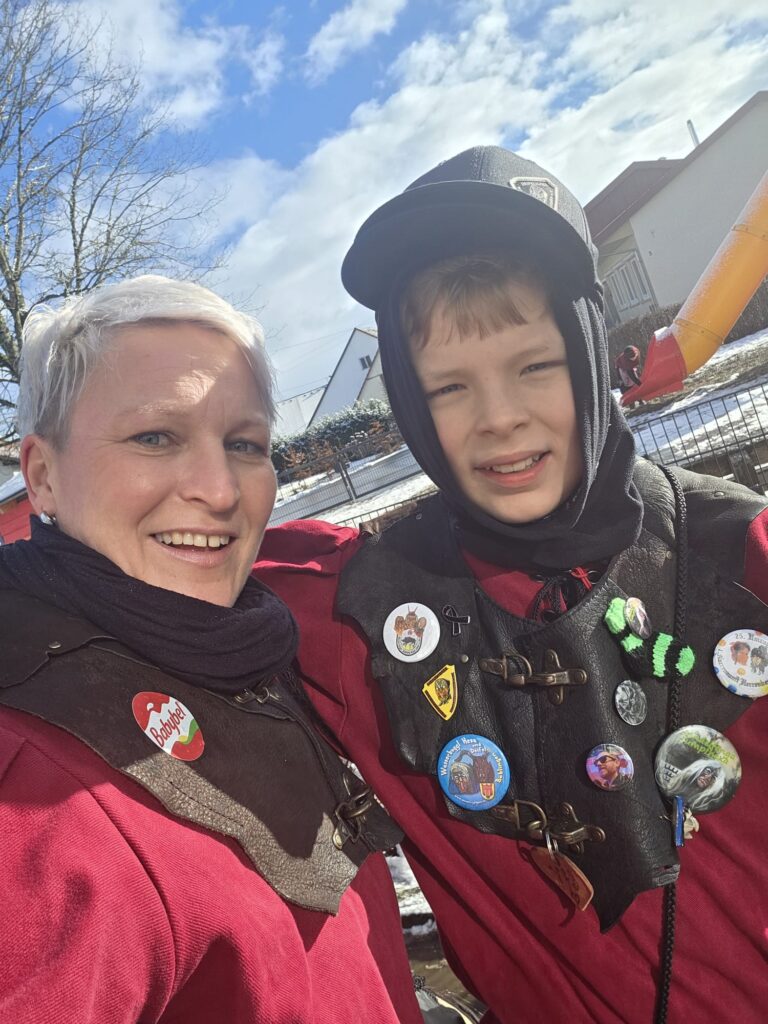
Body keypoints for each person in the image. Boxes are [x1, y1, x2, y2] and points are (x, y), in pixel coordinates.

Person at [257, 147, 768, 1023]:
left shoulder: (745, 556)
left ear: (589, 350)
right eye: (448, 387)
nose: (498, 418)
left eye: (535, 365)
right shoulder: (352, 618)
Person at [0, 276, 423, 1024]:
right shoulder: (36, 795)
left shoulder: (235, 644)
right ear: (43, 477)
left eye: (245, 444)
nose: (221, 490)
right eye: (154, 437)